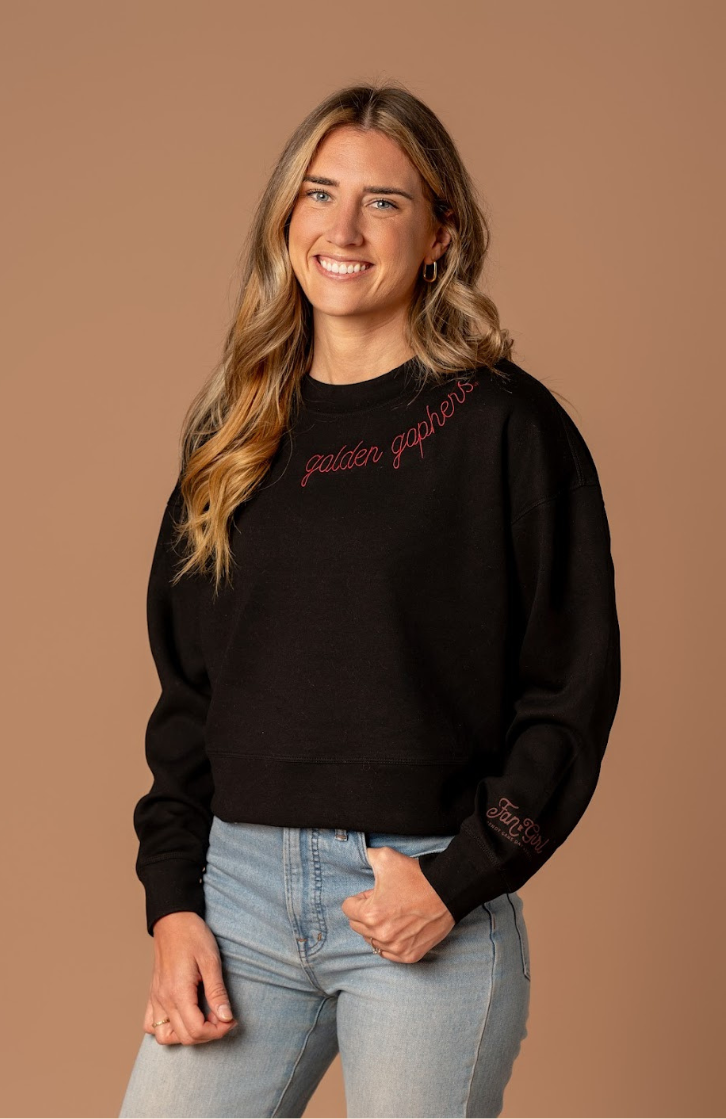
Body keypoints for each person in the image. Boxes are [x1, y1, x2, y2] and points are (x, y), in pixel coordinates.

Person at [118, 81, 621, 1119]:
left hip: (420, 898)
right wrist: (174, 907)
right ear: (285, 220)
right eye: (317, 194)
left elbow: (568, 691)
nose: (341, 230)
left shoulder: (505, 429)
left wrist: (458, 878)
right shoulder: (233, 431)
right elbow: (188, 699)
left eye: (383, 203)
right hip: (238, 899)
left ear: (439, 234)